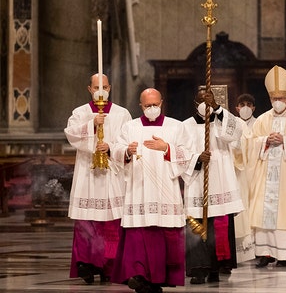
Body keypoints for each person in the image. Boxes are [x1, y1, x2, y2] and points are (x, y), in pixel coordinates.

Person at [110, 88, 194, 293]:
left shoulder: (176, 126)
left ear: (162, 102)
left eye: (155, 104)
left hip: (166, 189)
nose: (152, 109)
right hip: (138, 190)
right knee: (139, 235)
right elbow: (116, 151)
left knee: (163, 236)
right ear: (141, 106)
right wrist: (126, 152)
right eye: (147, 106)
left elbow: (188, 154)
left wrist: (167, 148)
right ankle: (139, 276)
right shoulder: (130, 127)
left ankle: (158, 279)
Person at [64, 73, 132, 284]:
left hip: (113, 173)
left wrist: (111, 147)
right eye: (96, 87)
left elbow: (128, 141)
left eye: (104, 86)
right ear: (89, 89)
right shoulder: (80, 112)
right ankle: (86, 263)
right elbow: (71, 134)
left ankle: (109, 265)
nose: (100, 90)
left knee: (112, 222)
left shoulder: (122, 114)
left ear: (110, 88)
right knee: (87, 220)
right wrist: (92, 124)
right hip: (88, 174)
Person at [181, 86, 245, 284]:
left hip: (220, 181)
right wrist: (197, 159)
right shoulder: (185, 126)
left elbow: (236, 132)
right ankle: (199, 268)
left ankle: (217, 266)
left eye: (208, 100)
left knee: (219, 225)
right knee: (198, 225)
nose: (204, 104)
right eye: (201, 100)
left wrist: (217, 107)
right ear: (194, 104)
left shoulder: (221, 122)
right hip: (197, 180)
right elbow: (179, 154)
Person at [245, 65, 286, 268]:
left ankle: (283, 255)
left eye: (281, 98)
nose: (277, 102)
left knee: (284, 216)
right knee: (262, 213)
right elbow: (250, 143)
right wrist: (265, 141)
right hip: (265, 175)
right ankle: (263, 253)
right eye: (274, 98)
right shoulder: (262, 119)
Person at [232, 93, 258, 263]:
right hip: (239, 172)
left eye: (249, 104)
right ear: (237, 108)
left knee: (254, 206)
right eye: (242, 104)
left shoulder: (259, 123)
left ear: (253, 108)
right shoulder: (232, 124)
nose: (246, 108)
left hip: (255, 171)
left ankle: (256, 248)